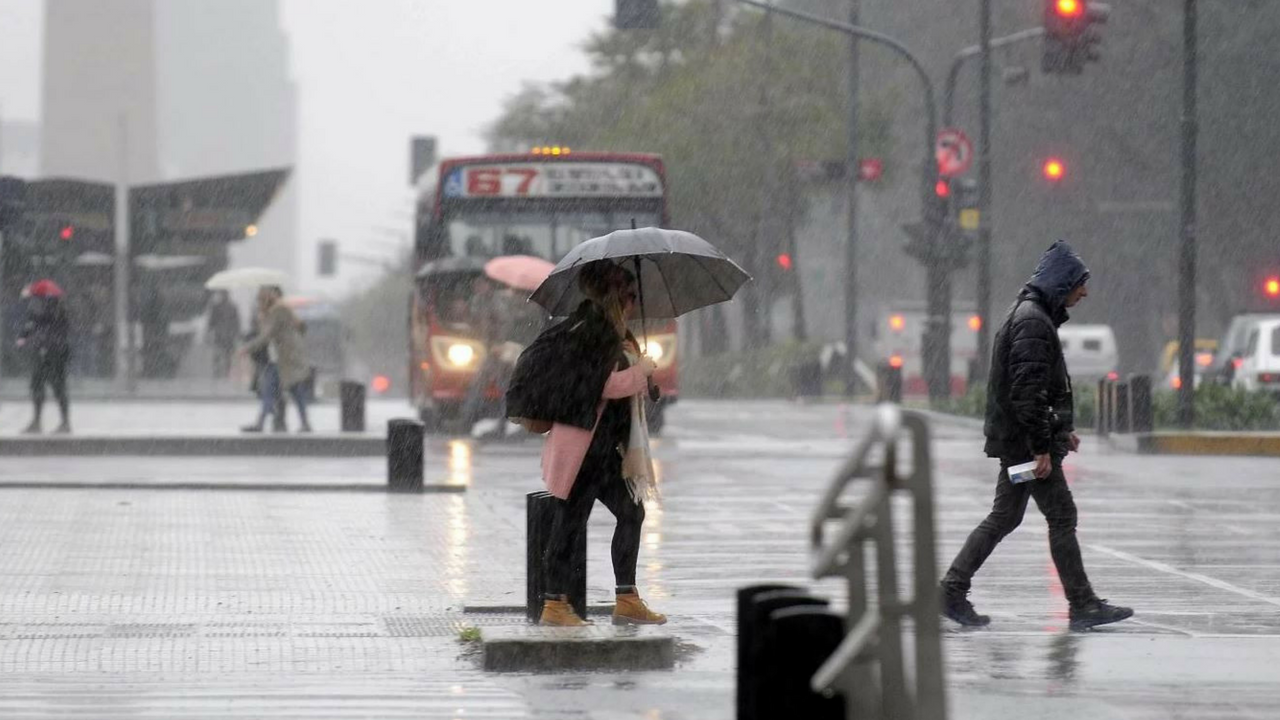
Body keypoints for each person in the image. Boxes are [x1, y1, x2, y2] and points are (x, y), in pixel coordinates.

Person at [940, 240, 1134, 632]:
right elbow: (1027, 392)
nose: (1084, 292)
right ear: (1062, 283)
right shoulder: (1032, 320)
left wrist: (1062, 430)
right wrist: (1041, 447)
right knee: (1060, 515)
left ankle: (951, 590)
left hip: (1020, 442)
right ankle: (1082, 604)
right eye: (1080, 283)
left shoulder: (1032, 315)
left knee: (1005, 516)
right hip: (1025, 447)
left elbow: (1037, 387)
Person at [506, 260, 665, 627]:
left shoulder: (609, 331)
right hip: (582, 446)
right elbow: (604, 386)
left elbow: (613, 381)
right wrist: (639, 373)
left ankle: (625, 599)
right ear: (615, 296)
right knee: (570, 522)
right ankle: (555, 605)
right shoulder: (591, 331)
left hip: (602, 447)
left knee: (628, 513)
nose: (634, 303)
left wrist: (643, 373)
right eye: (630, 295)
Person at [240, 286, 311, 433]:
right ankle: (262, 423)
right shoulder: (274, 312)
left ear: (266, 299)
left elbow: (266, 336)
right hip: (280, 359)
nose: (258, 303)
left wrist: (247, 348)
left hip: (287, 359)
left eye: (260, 300)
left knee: (294, 391)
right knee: (271, 390)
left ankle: (302, 423)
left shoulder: (278, 311)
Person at [17, 284, 72, 434]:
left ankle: (42, 421)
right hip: (52, 352)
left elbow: (36, 326)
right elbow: (33, 326)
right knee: (52, 387)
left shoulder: (44, 309)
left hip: (49, 352)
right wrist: (25, 336)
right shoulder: (56, 308)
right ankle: (61, 422)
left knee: (48, 386)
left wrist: (28, 338)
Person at [207, 290, 241, 379]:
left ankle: (223, 371)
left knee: (226, 354)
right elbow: (211, 321)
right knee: (221, 354)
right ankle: (219, 371)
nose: (224, 296)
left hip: (226, 335)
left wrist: (236, 333)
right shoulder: (217, 307)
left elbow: (236, 322)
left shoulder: (231, 307)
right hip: (223, 334)